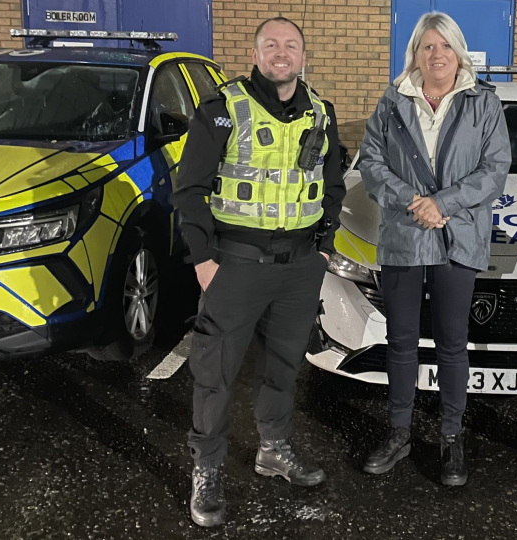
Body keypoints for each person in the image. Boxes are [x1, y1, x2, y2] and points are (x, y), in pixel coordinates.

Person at [173, 17, 346, 527]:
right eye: (271, 44)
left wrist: (322, 251)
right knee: (215, 374)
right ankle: (206, 468)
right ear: (256, 52)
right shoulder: (223, 109)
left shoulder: (322, 112)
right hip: (236, 265)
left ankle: (273, 448)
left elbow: (332, 187)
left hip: (298, 268)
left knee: (283, 366)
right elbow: (189, 191)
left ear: (303, 55)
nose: (281, 53)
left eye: (290, 45)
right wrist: (203, 260)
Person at [358, 12, 511, 487]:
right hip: (404, 237)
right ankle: (399, 433)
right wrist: (413, 202)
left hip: (457, 236)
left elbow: (495, 167)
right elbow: (371, 162)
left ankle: (450, 438)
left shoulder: (483, 101)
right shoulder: (392, 100)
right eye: (427, 47)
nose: (437, 55)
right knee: (401, 342)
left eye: (445, 46)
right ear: (415, 54)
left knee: (451, 344)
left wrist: (441, 204)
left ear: (459, 51)